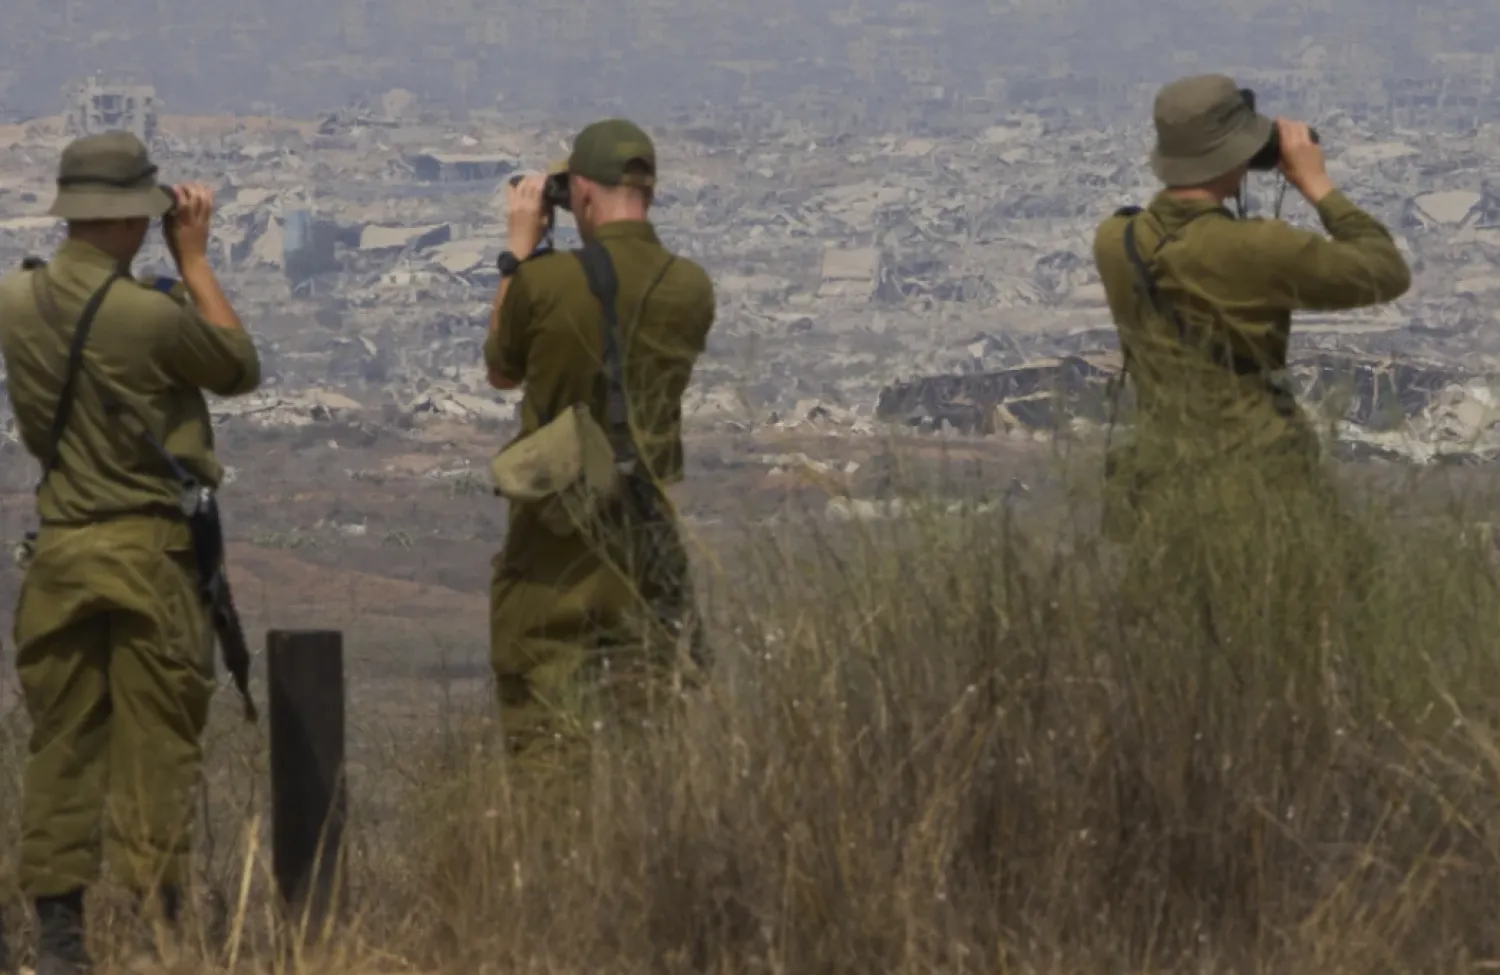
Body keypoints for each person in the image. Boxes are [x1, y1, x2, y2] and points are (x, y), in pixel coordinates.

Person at [0, 131, 261, 973]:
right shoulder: (148, 316)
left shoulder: (14, 302)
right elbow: (237, 363)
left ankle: (60, 942)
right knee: (157, 746)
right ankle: (157, 935)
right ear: (124, 217)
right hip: (149, 555)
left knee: (62, 745)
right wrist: (195, 260)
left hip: (62, 554)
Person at [1091, 74, 1411, 649]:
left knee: (1183, 658)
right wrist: (1316, 185)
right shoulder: (1256, 249)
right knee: (1299, 646)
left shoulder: (1117, 239)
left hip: (1163, 485)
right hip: (1260, 485)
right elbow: (1384, 271)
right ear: (1236, 154)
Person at [483, 118, 716, 763]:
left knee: (548, 735)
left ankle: (557, 858)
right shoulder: (691, 288)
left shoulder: (547, 281)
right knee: (651, 738)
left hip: (558, 536)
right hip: (647, 533)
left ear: (581, 194)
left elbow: (502, 368)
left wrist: (519, 253)